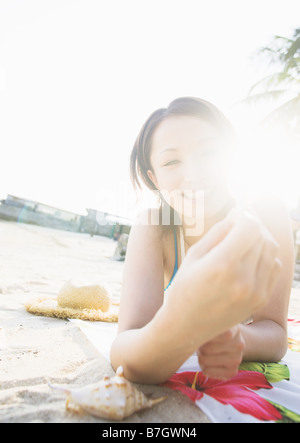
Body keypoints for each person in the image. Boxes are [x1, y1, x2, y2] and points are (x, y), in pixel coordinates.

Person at [110, 97, 294, 384]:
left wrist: (234, 336)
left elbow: (275, 332)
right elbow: (125, 346)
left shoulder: (264, 214)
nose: (194, 175)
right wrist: (185, 324)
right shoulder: (154, 226)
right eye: (171, 161)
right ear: (154, 178)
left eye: (209, 153)